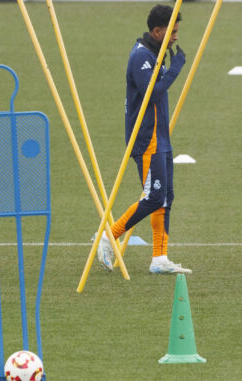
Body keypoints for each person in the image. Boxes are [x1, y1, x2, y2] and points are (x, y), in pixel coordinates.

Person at [97, 4, 190, 274]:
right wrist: (176, 69)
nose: (175, 37)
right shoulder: (141, 56)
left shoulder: (156, 52)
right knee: (154, 196)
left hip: (161, 137)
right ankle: (108, 237)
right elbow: (153, 92)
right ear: (158, 31)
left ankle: (159, 259)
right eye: (172, 32)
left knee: (166, 196)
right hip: (146, 138)